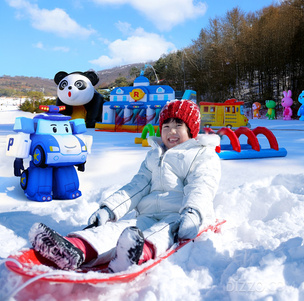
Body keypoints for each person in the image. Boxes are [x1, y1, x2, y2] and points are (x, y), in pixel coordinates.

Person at [29, 99, 221, 273]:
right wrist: (109, 210)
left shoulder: (201, 155)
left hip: (180, 216)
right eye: (166, 126)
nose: (171, 131)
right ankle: (75, 248)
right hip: (147, 215)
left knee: (162, 231)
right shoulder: (154, 155)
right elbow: (136, 187)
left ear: (191, 130)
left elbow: (202, 186)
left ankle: (134, 255)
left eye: (178, 125)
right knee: (121, 230)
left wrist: (193, 213)